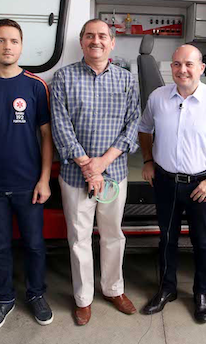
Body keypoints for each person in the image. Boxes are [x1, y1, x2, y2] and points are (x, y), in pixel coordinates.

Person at [138, 45, 206, 324]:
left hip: (202, 185)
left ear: (201, 69)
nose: (182, 70)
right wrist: (147, 161)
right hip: (165, 182)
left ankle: (201, 293)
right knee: (167, 239)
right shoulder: (158, 97)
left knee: (202, 242)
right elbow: (145, 128)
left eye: (188, 64)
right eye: (176, 64)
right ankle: (167, 289)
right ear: (170, 67)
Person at [0, 18, 54, 332]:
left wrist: (44, 179)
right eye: (1, 40)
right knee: (0, 246)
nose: (7, 46)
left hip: (29, 185)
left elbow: (46, 136)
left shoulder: (35, 85)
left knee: (34, 245)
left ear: (21, 45)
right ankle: (3, 299)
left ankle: (36, 294)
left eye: (13, 41)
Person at [50, 19, 140, 325]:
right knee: (79, 238)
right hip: (76, 177)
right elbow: (61, 128)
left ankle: (114, 289)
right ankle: (83, 298)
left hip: (114, 173)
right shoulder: (62, 78)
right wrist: (88, 166)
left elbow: (132, 127)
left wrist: (102, 163)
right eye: (90, 36)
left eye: (102, 36)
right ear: (81, 41)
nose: (96, 40)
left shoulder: (127, 81)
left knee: (113, 235)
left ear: (112, 43)